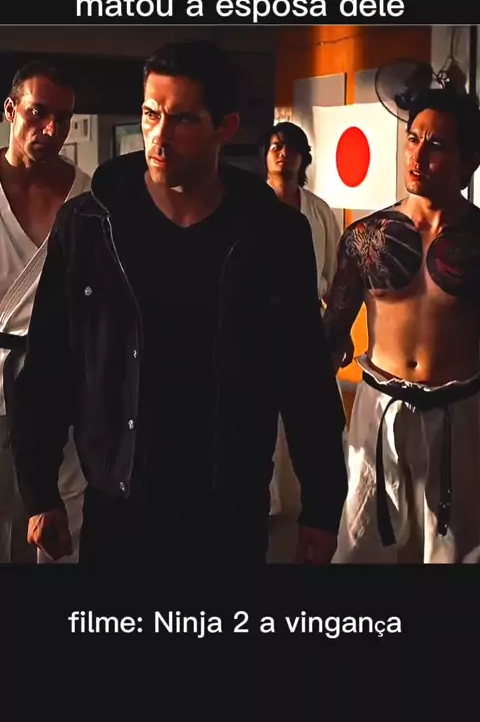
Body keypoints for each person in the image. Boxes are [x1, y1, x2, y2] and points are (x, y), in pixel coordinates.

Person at [10, 40, 347, 568]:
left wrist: (322, 506)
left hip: (227, 505)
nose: (160, 137)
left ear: (225, 127)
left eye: (184, 119)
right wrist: (40, 492)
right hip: (119, 501)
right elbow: (50, 363)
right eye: (151, 114)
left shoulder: (274, 234)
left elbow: (304, 376)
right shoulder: (89, 225)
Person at [322, 86, 480, 564]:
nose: (417, 155)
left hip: (460, 411)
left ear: (469, 161)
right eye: (413, 139)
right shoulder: (365, 238)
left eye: (437, 145)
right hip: (379, 407)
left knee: (456, 552)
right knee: (359, 545)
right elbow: (332, 334)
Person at [0, 60, 89, 563]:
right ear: (10, 110)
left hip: (64, 383)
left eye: (63, 117)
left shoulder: (90, 198)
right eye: (38, 112)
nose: (51, 129)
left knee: (60, 532)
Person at [260, 121, 345, 518]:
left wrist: (337, 332)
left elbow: (335, 277)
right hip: (259, 321)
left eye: (291, 147)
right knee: (261, 419)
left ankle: (323, 502)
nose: (283, 154)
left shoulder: (318, 211)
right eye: (275, 146)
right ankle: (266, 501)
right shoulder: (250, 206)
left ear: (303, 158)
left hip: (308, 319)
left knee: (316, 419)